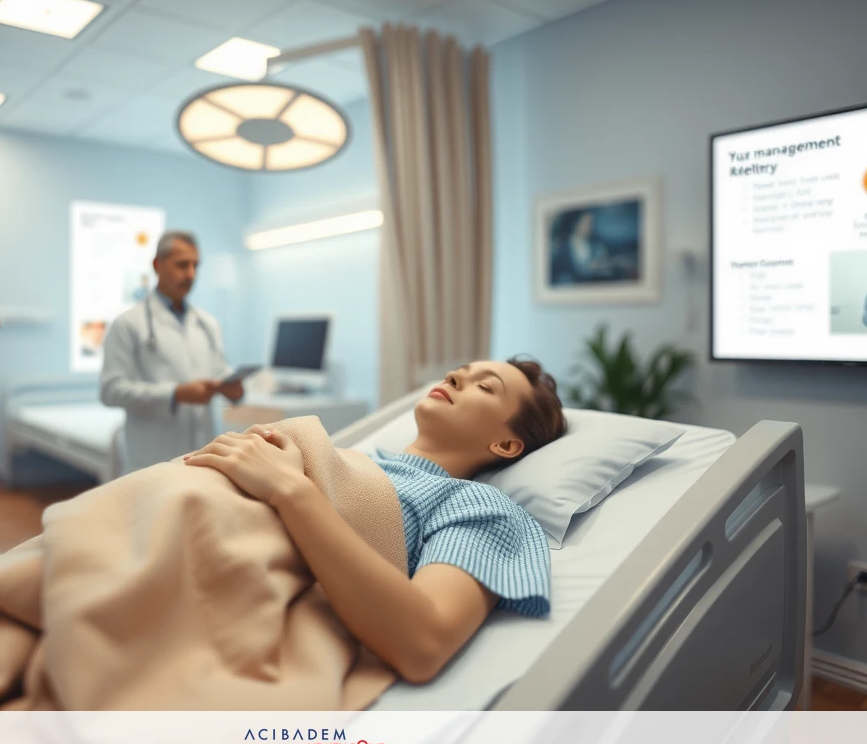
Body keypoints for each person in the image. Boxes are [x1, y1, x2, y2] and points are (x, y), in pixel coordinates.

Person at [183, 358, 565, 683]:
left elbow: (424, 641)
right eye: (459, 372)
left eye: (484, 387)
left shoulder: (475, 504)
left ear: (506, 445)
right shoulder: (351, 458)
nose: (453, 378)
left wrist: (289, 488)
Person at [100, 231, 244, 472]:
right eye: (182, 265)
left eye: (195, 265)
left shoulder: (208, 324)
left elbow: (220, 371)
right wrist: (175, 394)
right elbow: (111, 391)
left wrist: (233, 389)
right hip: (152, 459)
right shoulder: (128, 324)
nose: (191, 274)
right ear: (157, 265)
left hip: (203, 456)